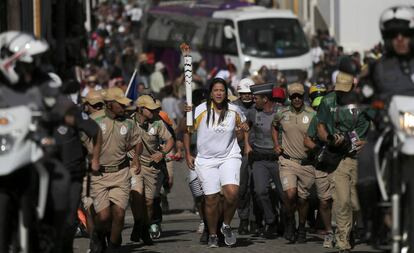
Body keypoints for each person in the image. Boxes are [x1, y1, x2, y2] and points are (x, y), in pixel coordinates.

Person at [184, 78, 249, 248]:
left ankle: (226, 225)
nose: (219, 93)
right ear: (211, 93)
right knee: (211, 198)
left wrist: (242, 133)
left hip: (229, 156)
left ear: (226, 93)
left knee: (232, 193)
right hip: (206, 160)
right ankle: (213, 234)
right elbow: (187, 132)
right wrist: (188, 154)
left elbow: (242, 130)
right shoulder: (199, 110)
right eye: (216, 90)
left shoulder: (235, 110)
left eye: (222, 90)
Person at [316, 72, 370, 252]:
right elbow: (320, 126)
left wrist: (367, 142)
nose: (341, 94)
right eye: (339, 91)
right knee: (342, 200)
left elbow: (379, 124)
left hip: (359, 157)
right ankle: (342, 241)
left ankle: (350, 229)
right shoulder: (328, 101)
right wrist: (329, 139)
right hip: (338, 158)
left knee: (355, 203)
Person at [89, 87, 143, 252]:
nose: (124, 107)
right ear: (110, 104)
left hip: (120, 173)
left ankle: (113, 247)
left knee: (119, 214)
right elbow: (81, 142)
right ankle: (98, 234)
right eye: (120, 104)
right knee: (104, 216)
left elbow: (137, 140)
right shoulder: (93, 120)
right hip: (99, 175)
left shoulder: (128, 122)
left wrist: (136, 158)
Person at [271, 83, 316, 243]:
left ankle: (302, 227)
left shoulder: (312, 114)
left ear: (303, 97)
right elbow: (274, 127)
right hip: (287, 161)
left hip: (306, 163)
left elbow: (321, 132)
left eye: (299, 96)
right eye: (293, 96)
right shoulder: (281, 113)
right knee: (290, 195)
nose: (296, 99)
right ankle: (289, 223)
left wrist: (315, 146)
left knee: (303, 200)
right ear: (289, 98)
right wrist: (276, 144)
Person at [129, 95, 174, 242]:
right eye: (150, 109)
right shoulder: (128, 122)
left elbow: (170, 140)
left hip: (152, 168)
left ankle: (144, 227)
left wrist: (162, 153)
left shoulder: (157, 123)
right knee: (137, 195)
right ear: (141, 109)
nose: (154, 112)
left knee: (149, 203)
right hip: (134, 166)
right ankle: (137, 224)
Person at [244, 83, 284, 239]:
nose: (254, 101)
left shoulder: (280, 112)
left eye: (256, 98)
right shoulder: (253, 112)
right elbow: (246, 127)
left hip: (278, 160)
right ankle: (270, 220)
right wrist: (247, 143)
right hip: (260, 159)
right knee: (260, 191)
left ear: (265, 99)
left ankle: (287, 222)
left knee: (284, 195)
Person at [303, 83, 336, 248]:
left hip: (339, 163)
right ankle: (328, 230)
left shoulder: (341, 113)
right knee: (323, 201)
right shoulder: (315, 118)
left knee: (343, 199)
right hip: (321, 164)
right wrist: (318, 150)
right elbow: (307, 140)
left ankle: (346, 231)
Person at [373, 5, 414, 99]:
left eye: (405, 33)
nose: (400, 39)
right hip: (388, 112)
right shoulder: (377, 68)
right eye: (393, 34)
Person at [231, 78, 255, 235]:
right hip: (239, 153)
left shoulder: (258, 106)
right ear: (239, 93)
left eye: (249, 93)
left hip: (257, 152)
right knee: (242, 189)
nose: (247, 96)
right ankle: (244, 219)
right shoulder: (233, 108)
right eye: (243, 93)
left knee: (257, 189)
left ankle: (254, 221)